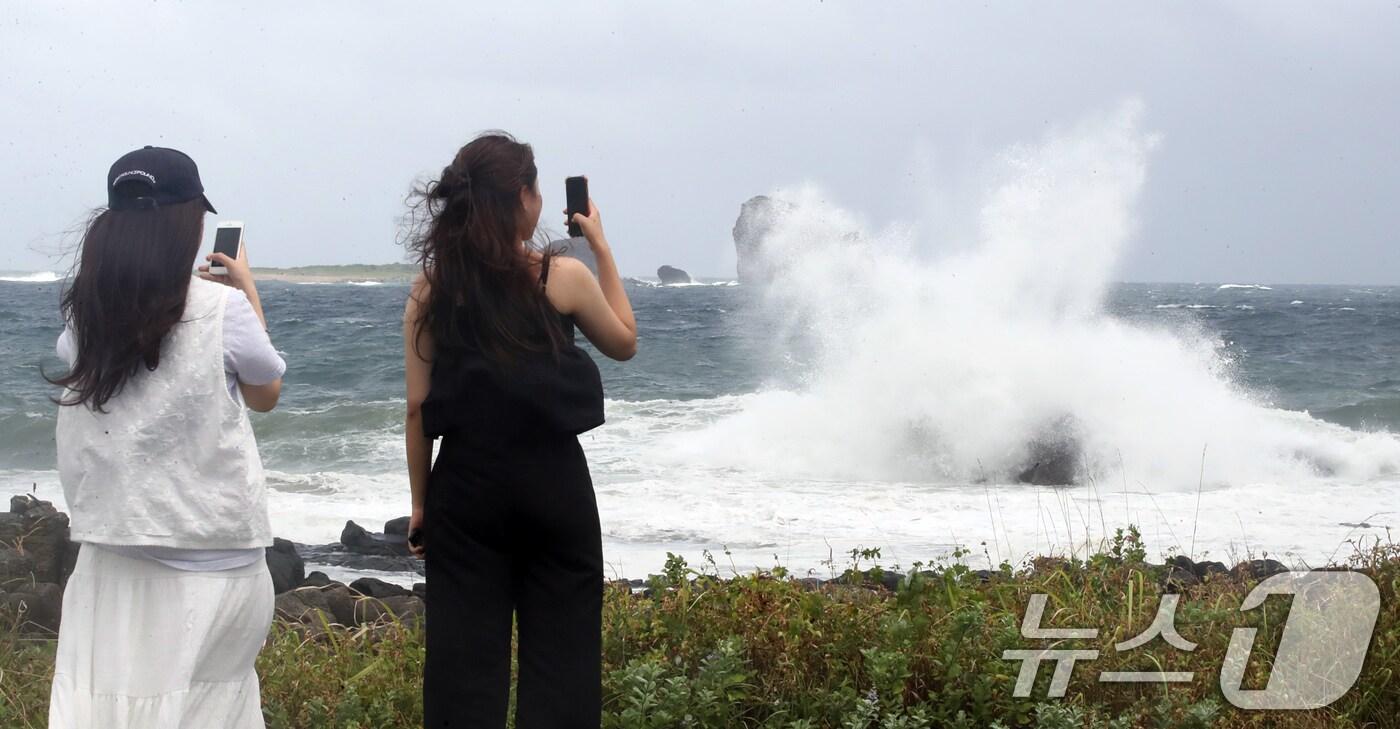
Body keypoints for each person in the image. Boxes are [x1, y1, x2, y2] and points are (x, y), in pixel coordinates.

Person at [403, 131, 637, 728]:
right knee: (563, 667)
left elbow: (417, 410)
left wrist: (421, 507)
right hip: (553, 489)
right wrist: (601, 247)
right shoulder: (562, 276)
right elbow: (624, 342)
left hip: (465, 492)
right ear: (524, 199)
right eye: (535, 189)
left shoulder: (432, 289)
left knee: (461, 674)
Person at [46, 146, 285, 728]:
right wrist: (246, 289)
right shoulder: (222, 308)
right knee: (210, 709)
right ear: (188, 224)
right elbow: (265, 391)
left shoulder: (83, 317)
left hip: (114, 548)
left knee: (108, 708)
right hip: (217, 555)